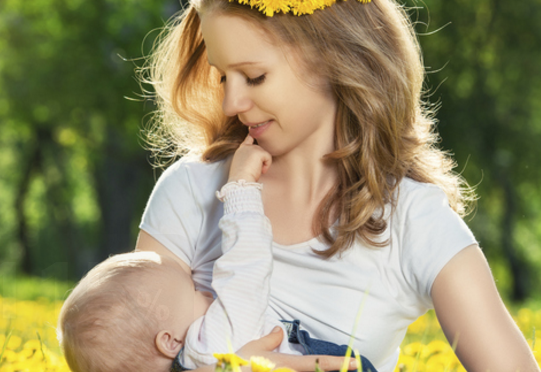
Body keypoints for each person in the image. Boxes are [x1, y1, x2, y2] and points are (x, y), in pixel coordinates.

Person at [136, 0, 541, 371]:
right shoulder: (190, 192)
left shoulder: (414, 222)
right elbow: (122, 351)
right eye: (223, 76)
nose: (231, 102)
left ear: (336, 59)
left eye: (255, 77)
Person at [57, 141, 376, 372]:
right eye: (194, 291)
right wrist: (240, 189)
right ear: (168, 341)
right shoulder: (213, 342)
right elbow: (246, 270)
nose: (206, 288)